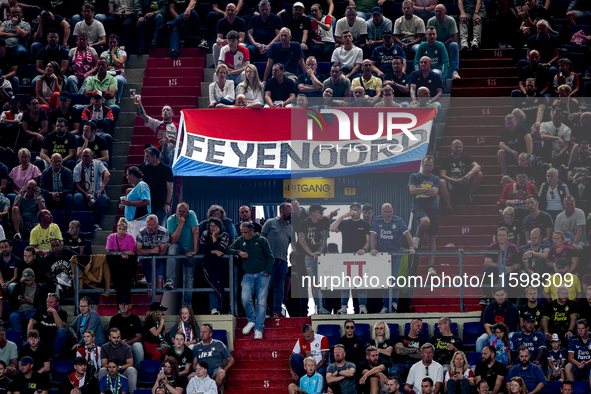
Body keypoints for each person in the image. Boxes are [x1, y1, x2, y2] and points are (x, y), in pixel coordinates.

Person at [227, 221, 274, 339]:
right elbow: (229, 249)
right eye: (241, 232)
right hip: (247, 275)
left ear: (252, 231)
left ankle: (259, 329)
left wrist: (267, 272)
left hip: (262, 275)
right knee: (245, 298)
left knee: (261, 303)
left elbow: (270, 257)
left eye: (245, 232)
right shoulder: (240, 240)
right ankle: (251, 320)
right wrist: (239, 252)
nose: (243, 234)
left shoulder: (262, 240)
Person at [370, 203, 415, 313]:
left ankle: (394, 303)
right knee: (385, 280)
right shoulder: (377, 220)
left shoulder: (398, 220)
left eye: (390, 211)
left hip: (396, 253)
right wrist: (372, 248)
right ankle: (386, 305)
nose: (388, 214)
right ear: (381, 212)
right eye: (386, 212)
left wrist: (412, 247)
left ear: (392, 211)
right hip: (383, 255)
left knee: (394, 278)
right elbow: (372, 235)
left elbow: (407, 233)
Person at [329, 203, 370, 314]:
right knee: (345, 283)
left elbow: (369, 240)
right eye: (352, 209)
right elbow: (332, 228)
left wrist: (364, 250)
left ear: (360, 211)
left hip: (360, 257)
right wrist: (342, 216)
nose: (354, 211)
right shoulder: (344, 223)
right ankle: (344, 307)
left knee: (361, 283)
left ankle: (362, 306)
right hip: (346, 258)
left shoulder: (365, 224)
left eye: (356, 210)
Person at [409, 155, 440, 273]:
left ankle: (431, 267)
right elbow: (412, 190)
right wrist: (428, 190)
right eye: (425, 165)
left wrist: (419, 189)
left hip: (432, 208)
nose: (427, 167)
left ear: (433, 166)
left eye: (430, 165)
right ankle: (416, 236)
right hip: (419, 206)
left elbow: (435, 193)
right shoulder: (414, 176)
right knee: (425, 221)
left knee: (432, 238)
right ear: (422, 164)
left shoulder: (435, 179)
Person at [261, 202, 291, 318]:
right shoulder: (270, 223)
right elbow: (261, 239)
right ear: (282, 210)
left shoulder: (290, 227)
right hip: (269, 260)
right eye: (289, 209)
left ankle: (277, 312)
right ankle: (262, 312)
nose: (291, 212)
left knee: (279, 287)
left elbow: (292, 244)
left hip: (283, 261)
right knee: (265, 286)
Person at [165, 202, 198, 302]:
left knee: (188, 277)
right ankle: (169, 280)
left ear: (187, 212)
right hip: (178, 246)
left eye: (184, 212)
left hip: (190, 248)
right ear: (176, 211)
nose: (181, 214)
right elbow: (173, 240)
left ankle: (186, 305)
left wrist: (195, 251)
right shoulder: (171, 219)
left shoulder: (191, 215)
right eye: (179, 211)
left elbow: (196, 231)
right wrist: (180, 225)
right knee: (172, 247)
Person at [438, 139, 482, 212]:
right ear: (451, 147)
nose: (458, 149)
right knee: (441, 182)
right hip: (451, 184)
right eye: (456, 147)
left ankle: (469, 197)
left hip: (464, 183)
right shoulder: (446, 159)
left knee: (479, 173)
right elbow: (442, 175)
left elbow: (478, 166)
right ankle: (449, 206)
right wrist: (456, 181)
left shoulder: (466, 157)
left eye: (460, 147)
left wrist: (468, 175)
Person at [73, 148, 110, 232]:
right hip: (83, 192)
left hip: (97, 191)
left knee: (103, 198)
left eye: (87, 156)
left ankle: (96, 223)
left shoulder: (98, 163)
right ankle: (85, 221)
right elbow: (77, 184)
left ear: (92, 156)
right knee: (77, 197)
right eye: (83, 156)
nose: (85, 158)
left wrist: (102, 187)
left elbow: (107, 174)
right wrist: (85, 194)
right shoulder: (78, 167)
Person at [199, 217, 229, 314]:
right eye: (211, 226)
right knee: (212, 284)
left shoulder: (225, 235)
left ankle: (220, 309)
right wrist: (214, 251)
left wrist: (214, 237)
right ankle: (214, 309)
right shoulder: (204, 234)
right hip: (209, 264)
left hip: (221, 265)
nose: (212, 228)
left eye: (215, 226)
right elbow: (202, 249)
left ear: (219, 226)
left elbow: (221, 249)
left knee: (220, 285)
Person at [191, 324, 234, 389]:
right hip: (201, 371)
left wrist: (224, 369)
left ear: (210, 334)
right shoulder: (196, 346)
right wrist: (200, 371)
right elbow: (194, 364)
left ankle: (212, 391)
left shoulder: (219, 344)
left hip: (215, 371)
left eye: (204, 332)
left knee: (221, 374)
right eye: (201, 332)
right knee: (190, 377)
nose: (202, 334)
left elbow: (231, 360)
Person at [137, 98, 178, 166]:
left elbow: (181, 144)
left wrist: (170, 140)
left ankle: (170, 175)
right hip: (159, 154)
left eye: (167, 110)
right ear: (161, 114)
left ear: (172, 114)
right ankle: (146, 173)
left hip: (171, 154)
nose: (165, 111)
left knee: (176, 151)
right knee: (149, 150)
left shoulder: (177, 126)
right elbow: (144, 117)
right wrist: (139, 103)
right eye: (163, 110)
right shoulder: (158, 124)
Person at [136, 215, 170, 294]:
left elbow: (162, 252)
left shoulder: (164, 232)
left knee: (159, 281)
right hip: (145, 260)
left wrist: (146, 251)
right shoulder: (141, 232)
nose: (150, 227)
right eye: (148, 225)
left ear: (158, 224)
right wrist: (152, 250)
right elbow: (138, 251)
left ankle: (158, 305)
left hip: (159, 260)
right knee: (150, 286)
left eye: (152, 225)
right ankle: (152, 305)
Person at [8, 268, 46, 338]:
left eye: (28, 280)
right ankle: (19, 337)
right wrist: (17, 299)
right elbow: (11, 298)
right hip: (20, 311)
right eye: (25, 280)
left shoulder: (40, 289)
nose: (26, 282)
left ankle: (32, 338)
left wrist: (33, 302)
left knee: (37, 318)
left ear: (33, 277)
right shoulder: (19, 286)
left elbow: (43, 305)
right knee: (13, 316)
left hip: (33, 311)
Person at [27, 293, 67, 359]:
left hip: (53, 341)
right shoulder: (41, 309)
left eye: (51, 302)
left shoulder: (62, 313)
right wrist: (30, 337)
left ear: (57, 303)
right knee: (26, 345)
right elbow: (31, 322)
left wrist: (54, 312)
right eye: (47, 302)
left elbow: (61, 327)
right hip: (40, 340)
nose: (48, 304)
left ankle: (56, 356)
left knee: (62, 331)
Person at [142, 147, 173, 227]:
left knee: (159, 228)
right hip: (147, 206)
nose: (146, 158)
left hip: (161, 205)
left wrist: (167, 203)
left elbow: (170, 188)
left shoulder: (166, 169)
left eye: (148, 156)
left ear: (154, 157)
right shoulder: (145, 169)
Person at [107, 297, 143, 369]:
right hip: (117, 343)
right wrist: (119, 341)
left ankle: (138, 370)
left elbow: (139, 336)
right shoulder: (114, 319)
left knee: (138, 346)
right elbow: (110, 335)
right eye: (121, 304)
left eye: (126, 304)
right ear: (119, 306)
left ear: (130, 306)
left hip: (131, 344)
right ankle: (113, 370)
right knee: (108, 346)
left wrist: (128, 342)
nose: (123, 306)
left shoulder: (135, 319)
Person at [427, 5, 460, 80]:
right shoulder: (431, 21)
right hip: (435, 45)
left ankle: (454, 71)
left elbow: (454, 38)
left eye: (440, 11)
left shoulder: (451, 20)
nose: (437, 13)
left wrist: (442, 45)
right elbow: (428, 37)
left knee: (454, 45)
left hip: (447, 45)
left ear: (445, 12)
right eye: (436, 11)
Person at [99, 328, 137, 393]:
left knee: (132, 370)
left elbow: (130, 364)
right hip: (110, 370)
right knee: (102, 370)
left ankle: (132, 392)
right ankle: (103, 392)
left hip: (123, 371)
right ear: (109, 337)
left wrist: (118, 368)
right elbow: (104, 364)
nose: (116, 340)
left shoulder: (127, 347)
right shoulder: (104, 347)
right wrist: (112, 368)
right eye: (114, 338)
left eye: (118, 337)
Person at [122, 166, 151, 239]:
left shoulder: (142, 185)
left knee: (137, 245)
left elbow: (146, 201)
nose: (126, 177)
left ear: (132, 175)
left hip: (139, 221)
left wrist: (129, 203)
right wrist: (125, 205)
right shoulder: (136, 187)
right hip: (132, 221)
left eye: (127, 175)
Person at [99, 35, 126, 105]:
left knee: (118, 80)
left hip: (120, 75)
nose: (112, 44)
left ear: (117, 43)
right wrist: (115, 67)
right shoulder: (104, 53)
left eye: (114, 42)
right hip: (107, 75)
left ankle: (116, 102)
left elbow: (119, 64)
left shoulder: (123, 53)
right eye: (110, 42)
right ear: (108, 44)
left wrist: (112, 54)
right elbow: (102, 65)